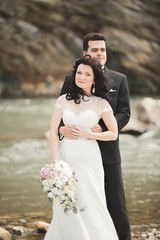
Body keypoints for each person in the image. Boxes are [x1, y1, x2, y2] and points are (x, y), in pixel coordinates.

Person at [59, 32, 131, 240]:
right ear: (85, 53)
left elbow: (125, 113)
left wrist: (102, 128)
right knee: (80, 200)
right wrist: (60, 130)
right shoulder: (72, 79)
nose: (100, 53)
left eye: (103, 49)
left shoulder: (120, 79)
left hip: (108, 151)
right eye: (94, 50)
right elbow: (61, 112)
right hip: (77, 154)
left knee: (116, 203)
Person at [44, 55, 119, 239]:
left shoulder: (101, 103)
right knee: (66, 201)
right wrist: (56, 163)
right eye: (79, 73)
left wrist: (91, 135)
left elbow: (113, 133)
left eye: (87, 74)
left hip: (89, 159)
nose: (82, 77)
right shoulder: (62, 100)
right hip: (66, 157)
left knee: (91, 199)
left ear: (94, 78)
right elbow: (53, 132)